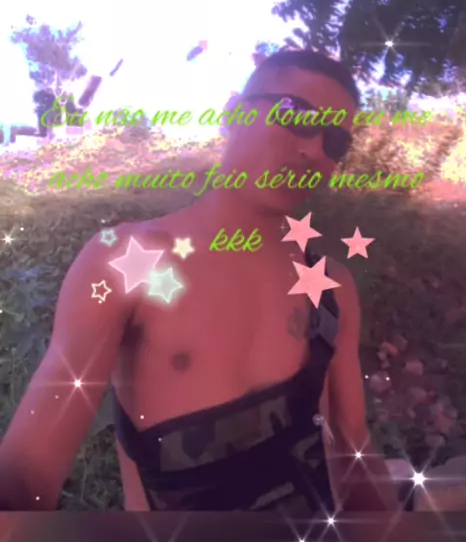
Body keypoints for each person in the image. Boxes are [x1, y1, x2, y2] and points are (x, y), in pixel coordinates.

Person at [0, 49, 400, 514]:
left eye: (335, 141)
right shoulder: (129, 261)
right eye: (296, 116)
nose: (313, 150)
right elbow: (26, 471)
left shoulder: (331, 287)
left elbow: (353, 452)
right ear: (233, 113)